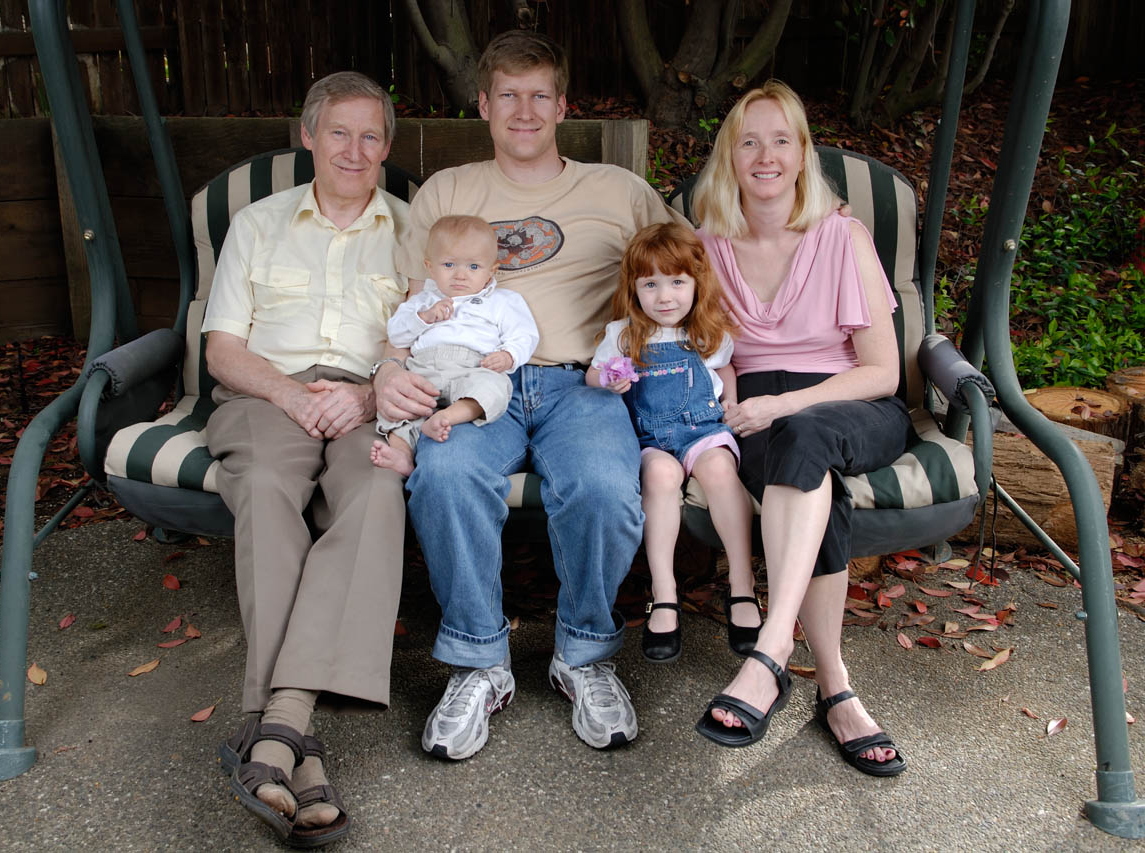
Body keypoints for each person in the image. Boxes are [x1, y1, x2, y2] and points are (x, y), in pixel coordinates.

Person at [374, 29, 689, 759]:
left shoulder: (617, 190)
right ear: (484, 105)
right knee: (446, 474)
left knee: (605, 485)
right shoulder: (448, 190)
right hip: (468, 380)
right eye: (508, 95)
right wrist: (387, 370)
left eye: (539, 95)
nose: (524, 110)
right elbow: (410, 302)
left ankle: (583, 654)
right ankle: (480, 661)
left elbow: (691, 267)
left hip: (582, 380)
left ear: (562, 106)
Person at [201, 71, 409, 845]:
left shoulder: (413, 229)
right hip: (265, 395)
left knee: (378, 491)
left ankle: (277, 728)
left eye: (370, 135)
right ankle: (299, 741)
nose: (354, 150)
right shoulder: (257, 224)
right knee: (263, 483)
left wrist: (366, 398)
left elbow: (426, 342)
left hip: (369, 402)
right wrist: (291, 395)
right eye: (338, 132)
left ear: (386, 147)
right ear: (308, 136)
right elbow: (223, 348)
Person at [691, 80, 908, 776]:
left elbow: (883, 372)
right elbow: (708, 350)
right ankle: (836, 688)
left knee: (807, 436)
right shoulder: (706, 247)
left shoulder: (842, 236)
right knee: (818, 487)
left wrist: (785, 405)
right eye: (749, 141)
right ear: (729, 156)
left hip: (853, 403)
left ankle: (772, 648)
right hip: (754, 409)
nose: (766, 156)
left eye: (781, 140)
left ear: (802, 153)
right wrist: (729, 398)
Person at [587, 222, 755, 665]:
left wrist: (731, 401)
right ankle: (664, 593)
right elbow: (592, 373)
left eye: (677, 282)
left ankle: (741, 584)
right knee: (660, 476)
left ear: (697, 283)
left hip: (703, 430)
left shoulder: (706, 331)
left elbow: (725, 368)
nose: (665, 297)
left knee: (719, 469)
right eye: (651, 284)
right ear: (634, 288)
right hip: (648, 438)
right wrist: (609, 379)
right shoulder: (623, 334)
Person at [370, 214, 539, 476]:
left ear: (491, 270)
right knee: (400, 403)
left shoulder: (503, 301)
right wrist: (424, 318)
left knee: (494, 387)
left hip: (474, 368)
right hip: (424, 369)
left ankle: (448, 417)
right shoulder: (422, 301)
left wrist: (508, 356)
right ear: (430, 267)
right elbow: (397, 335)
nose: (460, 275)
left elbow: (524, 334)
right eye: (449, 264)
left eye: (473, 267)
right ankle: (401, 454)